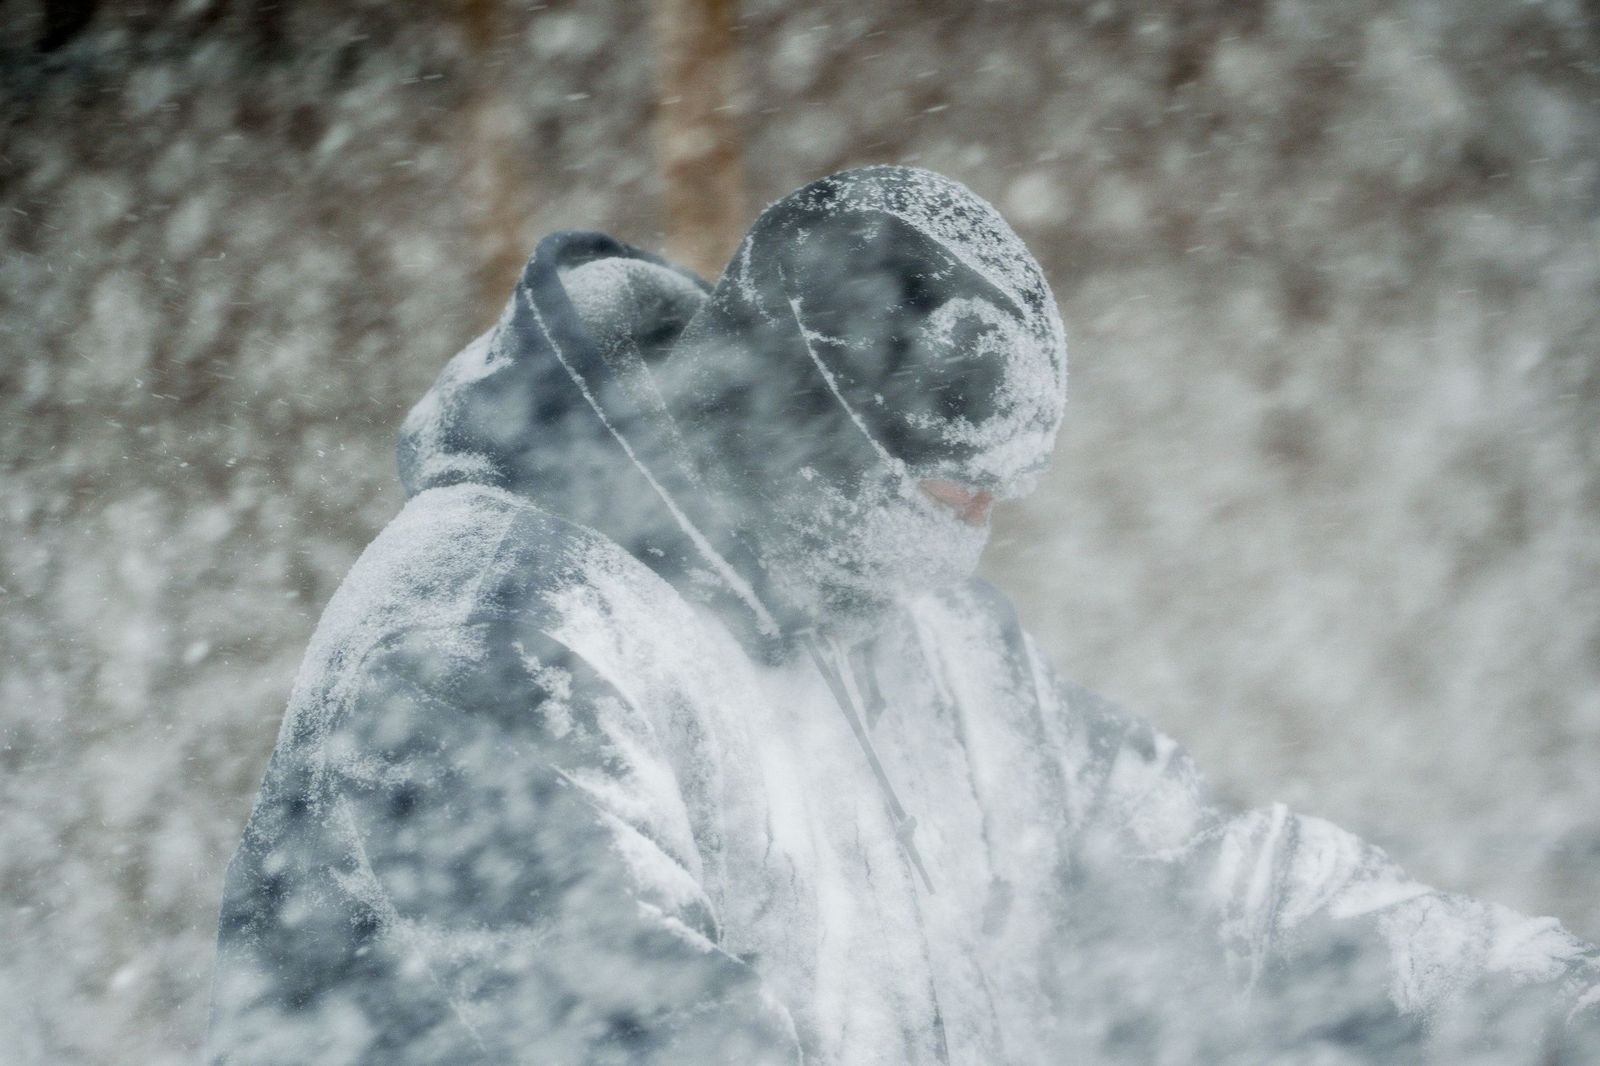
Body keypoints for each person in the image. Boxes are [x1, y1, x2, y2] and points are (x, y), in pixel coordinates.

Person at [209, 167, 1599, 1065]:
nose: (961, 540)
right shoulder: (491, 623)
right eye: (934, 494)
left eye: (983, 501)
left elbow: (1199, 882)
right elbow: (625, 1025)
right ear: (793, 428)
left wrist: (1532, 1002)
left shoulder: (918, 639)